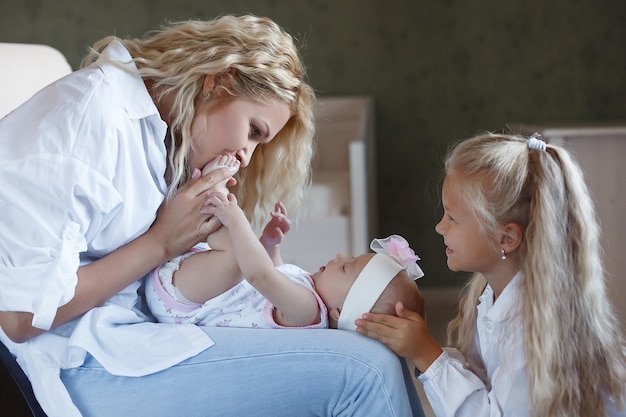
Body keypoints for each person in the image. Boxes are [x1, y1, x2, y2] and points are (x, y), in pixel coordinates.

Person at [0, 15, 426, 417]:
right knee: (367, 371)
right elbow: (19, 319)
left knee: (379, 357)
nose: (246, 156)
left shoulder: (158, 137)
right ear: (218, 81)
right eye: (254, 131)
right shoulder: (88, 119)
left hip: (133, 334)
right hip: (70, 363)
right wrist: (161, 242)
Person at [356, 132, 626, 416]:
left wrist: (427, 354)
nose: (440, 227)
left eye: (452, 218)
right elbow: (487, 384)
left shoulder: (529, 331)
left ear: (506, 238)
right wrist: (421, 342)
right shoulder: (494, 294)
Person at [145, 158, 425, 330]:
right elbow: (275, 272)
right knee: (236, 255)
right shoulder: (305, 293)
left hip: (181, 303)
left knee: (236, 258)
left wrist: (236, 218)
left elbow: (261, 275)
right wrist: (270, 244)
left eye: (345, 268)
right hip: (192, 286)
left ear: (339, 312)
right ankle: (199, 193)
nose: (339, 256)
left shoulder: (307, 312)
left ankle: (210, 187)